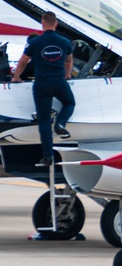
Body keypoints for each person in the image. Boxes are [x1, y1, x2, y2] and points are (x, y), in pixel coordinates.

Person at [11, 12, 75, 168]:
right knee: (69, 103)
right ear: (56, 23)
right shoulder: (65, 42)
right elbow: (69, 60)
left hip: (41, 84)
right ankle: (61, 124)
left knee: (44, 120)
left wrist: (16, 77)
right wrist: (67, 75)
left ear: (43, 23)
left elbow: (23, 62)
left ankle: (48, 156)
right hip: (59, 81)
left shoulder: (35, 42)